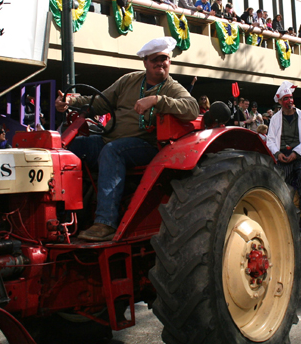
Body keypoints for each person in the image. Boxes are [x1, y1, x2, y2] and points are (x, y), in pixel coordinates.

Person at [56, 37, 199, 241]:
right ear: (145, 62)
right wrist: (70, 102)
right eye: (155, 59)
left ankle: (105, 223)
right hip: (109, 140)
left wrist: (157, 100)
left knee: (113, 151)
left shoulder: (171, 88)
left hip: (146, 147)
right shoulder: (129, 81)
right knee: (67, 149)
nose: (161, 63)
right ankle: (61, 218)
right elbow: (99, 104)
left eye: (164, 59)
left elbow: (192, 108)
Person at [266, 81, 301, 228]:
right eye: (285, 98)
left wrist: (296, 153)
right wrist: (277, 153)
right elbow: (270, 140)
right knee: (279, 178)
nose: (289, 101)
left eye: (290, 98)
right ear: (280, 102)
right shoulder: (275, 119)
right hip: (283, 156)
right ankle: (283, 214)